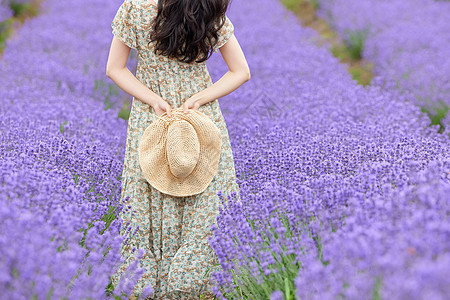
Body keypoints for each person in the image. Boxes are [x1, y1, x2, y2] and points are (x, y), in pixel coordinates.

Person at [105, 0, 250, 299]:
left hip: (153, 119)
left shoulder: (135, 6)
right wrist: (199, 99)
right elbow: (241, 71)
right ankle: (196, 285)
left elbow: (115, 69)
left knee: (148, 202)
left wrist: (153, 100)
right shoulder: (207, 8)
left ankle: (143, 287)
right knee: (207, 202)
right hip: (198, 121)